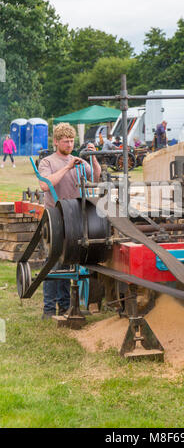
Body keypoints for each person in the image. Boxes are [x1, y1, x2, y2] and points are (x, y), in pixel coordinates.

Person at [38, 123, 101, 319]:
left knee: (68, 262)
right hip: (56, 218)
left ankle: (65, 307)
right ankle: (48, 310)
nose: (69, 144)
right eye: (65, 141)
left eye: (72, 141)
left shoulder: (79, 160)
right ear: (56, 142)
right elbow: (44, 185)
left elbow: (96, 177)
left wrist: (93, 157)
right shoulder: (47, 162)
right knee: (53, 264)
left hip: (74, 216)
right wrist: (67, 167)